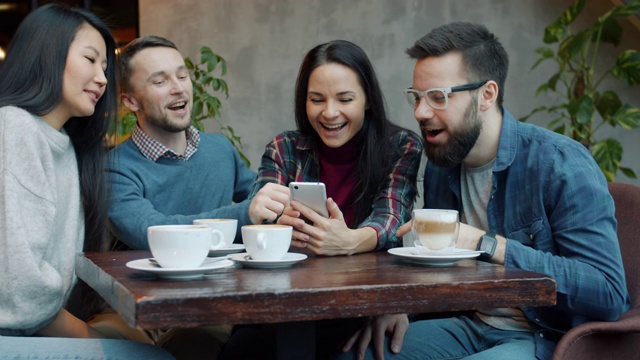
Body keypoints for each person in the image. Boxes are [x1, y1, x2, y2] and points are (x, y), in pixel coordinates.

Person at [338, 22, 631, 360]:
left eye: (438, 97)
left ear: (487, 95)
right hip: (468, 324)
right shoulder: (442, 163)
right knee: (354, 354)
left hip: (544, 337)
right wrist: (402, 306)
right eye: (417, 97)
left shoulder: (560, 164)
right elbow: (442, 270)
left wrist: (485, 244)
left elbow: (607, 293)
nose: (420, 112)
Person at [220, 40, 423, 359]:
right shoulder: (284, 148)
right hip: (282, 306)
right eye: (317, 99)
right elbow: (261, 228)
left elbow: (391, 219)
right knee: (240, 350)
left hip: (359, 307)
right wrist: (265, 217)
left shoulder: (399, 147)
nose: (329, 113)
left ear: (368, 99)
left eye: (345, 99)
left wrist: (349, 240)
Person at [0, 4, 173, 359]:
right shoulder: (13, 128)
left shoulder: (62, 144)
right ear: (48, 54)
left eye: (105, 68)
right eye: (90, 59)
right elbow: (20, 288)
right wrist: (90, 333)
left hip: (32, 330)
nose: (102, 79)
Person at [108, 36, 289, 251]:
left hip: (226, 281)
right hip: (152, 284)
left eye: (182, 76)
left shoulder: (220, 148)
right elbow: (150, 230)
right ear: (130, 101)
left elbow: (260, 201)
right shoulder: (114, 168)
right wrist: (245, 213)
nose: (178, 88)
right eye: (160, 82)